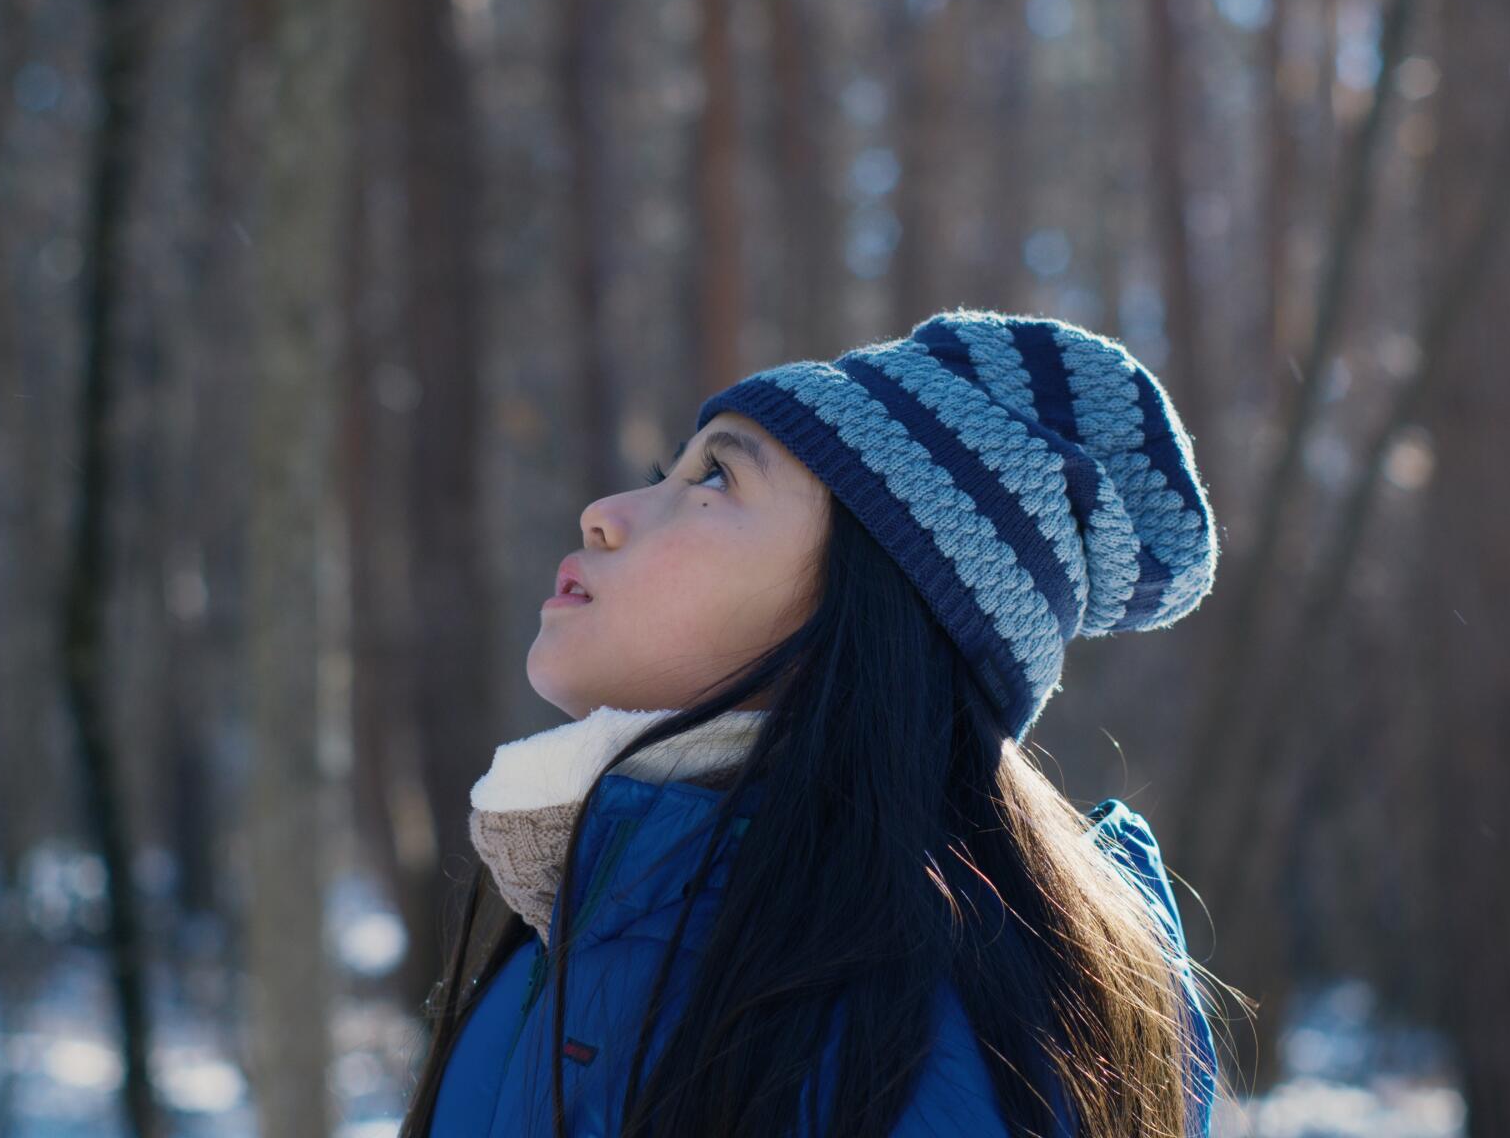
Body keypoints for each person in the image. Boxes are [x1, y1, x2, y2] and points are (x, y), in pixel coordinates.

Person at [399, 307, 1234, 1137]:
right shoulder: (604, 908)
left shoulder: (916, 1037)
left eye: (715, 479)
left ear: (863, 611)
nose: (606, 512)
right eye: (666, 472)